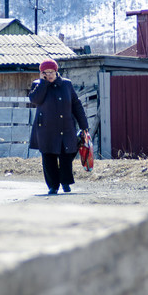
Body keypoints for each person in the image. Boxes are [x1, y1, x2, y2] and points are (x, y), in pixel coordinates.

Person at [28, 59, 88, 195]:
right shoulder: (37, 85)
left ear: (56, 72)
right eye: (46, 72)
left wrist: (84, 125)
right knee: (48, 158)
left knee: (68, 154)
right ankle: (53, 186)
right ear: (41, 73)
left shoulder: (66, 84)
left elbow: (76, 105)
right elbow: (35, 100)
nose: (49, 75)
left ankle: (65, 181)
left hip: (66, 126)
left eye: (51, 72)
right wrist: (43, 84)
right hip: (46, 129)